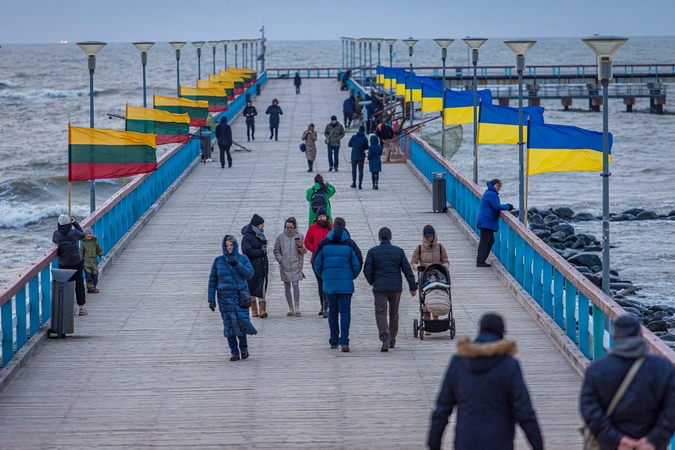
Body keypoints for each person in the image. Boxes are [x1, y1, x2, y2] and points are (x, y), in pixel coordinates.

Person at [428, 313, 543, 450]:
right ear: (501, 334)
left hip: (466, 441)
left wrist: (433, 443)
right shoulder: (509, 365)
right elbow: (524, 411)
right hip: (500, 442)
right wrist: (537, 445)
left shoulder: (458, 362)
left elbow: (442, 409)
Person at [580, 315, 675, 450]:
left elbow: (589, 408)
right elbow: (671, 410)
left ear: (615, 337)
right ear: (641, 336)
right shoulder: (664, 368)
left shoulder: (597, 370)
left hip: (611, 445)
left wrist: (616, 439)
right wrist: (653, 440)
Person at [313, 217, 363, 352]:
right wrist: (351, 276)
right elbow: (358, 263)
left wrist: (324, 276)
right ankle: (344, 342)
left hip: (329, 285)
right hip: (346, 285)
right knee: (345, 312)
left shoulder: (323, 243)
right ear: (345, 226)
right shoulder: (350, 244)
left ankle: (334, 340)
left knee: (332, 311)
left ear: (333, 226)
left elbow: (316, 263)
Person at [363, 227, 417, 352]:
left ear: (379, 238)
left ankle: (385, 336)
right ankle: (392, 340)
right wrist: (412, 286)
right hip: (395, 288)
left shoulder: (372, 252)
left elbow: (367, 270)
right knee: (394, 314)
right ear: (391, 237)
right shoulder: (399, 251)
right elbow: (407, 270)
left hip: (380, 288)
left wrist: (372, 282)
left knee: (381, 312)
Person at [208, 235, 257, 362]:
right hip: (225, 299)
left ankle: (244, 350)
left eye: (231, 245)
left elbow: (250, 274)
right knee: (229, 325)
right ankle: (234, 352)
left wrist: (237, 264)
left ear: (235, 246)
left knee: (241, 323)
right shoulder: (218, 261)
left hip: (240, 298)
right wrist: (211, 299)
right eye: (227, 246)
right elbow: (212, 280)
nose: (229, 248)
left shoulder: (243, 258)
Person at [411, 225, 450, 326]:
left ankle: (436, 320)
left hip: (438, 276)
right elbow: (413, 263)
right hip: (424, 276)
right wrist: (418, 267)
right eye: (428, 237)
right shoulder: (419, 248)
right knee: (425, 299)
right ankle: (427, 323)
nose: (430, 238)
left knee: (437, 296)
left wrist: (444, 267)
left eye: (431, 236)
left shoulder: (440, 247)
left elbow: (445, 261)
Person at [52, 214, 87, 315]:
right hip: (76, 261)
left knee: (66, 284)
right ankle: (81, 307)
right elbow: (83, 235)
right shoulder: (74, 232)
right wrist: (75, 223)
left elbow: (54, 241)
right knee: (79, 283)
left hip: (63, 263)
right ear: (68, 223)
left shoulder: (56, 234)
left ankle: (69, 308)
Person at [273, 217, 307, 317]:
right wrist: (281, 259)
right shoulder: (280, 236)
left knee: (296, 285)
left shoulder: (300, 236)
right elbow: (276, 250)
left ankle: (297, 306)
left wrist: (300, 246)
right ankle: (290, 307)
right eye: (287, 227)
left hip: (296, 264)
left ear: (294, 227)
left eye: (291, 227)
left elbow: (304, 251)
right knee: (287, 287)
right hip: (285, 265)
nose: (289, 229)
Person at [476, 179, 513, 268]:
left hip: (486, 220)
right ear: (493, 186)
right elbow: (496, 207)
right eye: (497, 185)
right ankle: (480, 261)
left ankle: (481, 260)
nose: (499, 188)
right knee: (485, 241)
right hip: (486, 221)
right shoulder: (491, 194)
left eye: (500, 186)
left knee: (490, 240)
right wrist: (508, 206)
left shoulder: (490, 193)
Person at [304, 207, 332, 317]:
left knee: (327, 282)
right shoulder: (312, 228)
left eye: (323, 216)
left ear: (326, 216)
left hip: (329, 259)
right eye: (320, 216)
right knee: (320, 283)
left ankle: (328, 306)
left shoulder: (331, 227)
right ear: (317, 217)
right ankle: (323, 305)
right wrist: (315, 249)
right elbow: (307, 242)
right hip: (316, 259)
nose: (322, 218)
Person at [241, 214, 269, 318]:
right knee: (252, 288)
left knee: (261, 288)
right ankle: (254, 310)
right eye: (261, 225)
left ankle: (262, 310)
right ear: (256, 225)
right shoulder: (247, 236)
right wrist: (261, 251)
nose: (263, 227)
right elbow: (247, 251)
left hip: (262, 267)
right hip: (251, 267)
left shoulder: (260, 235)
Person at [80, 227, 105, 294]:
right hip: (86, 263)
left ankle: (93, 286)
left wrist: (101, 255)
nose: (88, 235)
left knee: (95, 275)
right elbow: (81, 252)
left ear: (92, 234)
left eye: (89, 233)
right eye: (86, 234)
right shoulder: (83, 244)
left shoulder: (95, 243)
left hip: (94, 262)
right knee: (88, 275)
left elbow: (99, 251)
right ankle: (90, 287)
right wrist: (80, 260)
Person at [348, 125, 368, 189]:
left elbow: (349, 144)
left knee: (354, 170)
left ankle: (354, 183)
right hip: (361, 156)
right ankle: (360, 184)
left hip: (354, 155)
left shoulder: (354, 137)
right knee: (361, 171)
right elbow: (366, 147)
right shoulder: (364, 138)